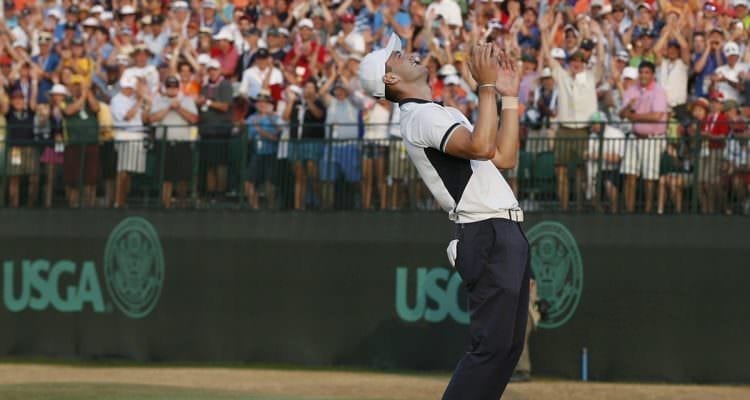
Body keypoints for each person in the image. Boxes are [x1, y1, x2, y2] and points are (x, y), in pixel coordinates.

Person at [360, 35, 527, 400]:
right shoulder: (420, 116)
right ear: (389, 80)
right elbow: (483, 147)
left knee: (505, 349)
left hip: (501, 229)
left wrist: (509, 97)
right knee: (491, 349)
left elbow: (504, 157)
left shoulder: (438, 112)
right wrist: (485, 86)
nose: (409, 54)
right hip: (487, 232)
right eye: (397, 56)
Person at [620, 61, 669, 213]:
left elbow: (657, 116)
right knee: (630, 175)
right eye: (641, 72)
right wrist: (629, 107)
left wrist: (634, 117)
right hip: (634, 137)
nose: (643, 75)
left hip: (652, 138)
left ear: (653, 75)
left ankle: (648, 211)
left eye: (647, 72)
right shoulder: (632, 89)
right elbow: (621, 114)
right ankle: (629, 211)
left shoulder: (658, 91)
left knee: (649, 178)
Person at [148, 76, 199, 209]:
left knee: (183, 176)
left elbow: (193, 119)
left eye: (174, 86)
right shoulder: (158, 101)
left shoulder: (187, 100)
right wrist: (169, 108)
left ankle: (182, 204)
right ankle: (166, 204)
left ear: (178, 87)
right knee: (166, 177)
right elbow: (152, 118)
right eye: (169, 86)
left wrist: (178, 108)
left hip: (182, 142)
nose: (172, 89)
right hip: (164, 143)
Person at [283, 81, 326, 211]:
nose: (307, 89)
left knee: (313, 172)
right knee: (299, 176)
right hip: (296, 141)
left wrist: (309, 102)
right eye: (306, 87)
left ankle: (322, 202)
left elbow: (319, 115)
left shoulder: (319, 103)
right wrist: (290, 101)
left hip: (312, 141)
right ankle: (298, 206)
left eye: (311, 87)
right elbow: (285, 117)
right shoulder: (296, 104)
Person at [110, 75, 149, 208]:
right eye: (126, 87)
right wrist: (139, 101)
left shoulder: (135, 98)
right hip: (124, 136)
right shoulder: (117, 100)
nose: (129, 90)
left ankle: (124, 200)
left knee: (130, 171)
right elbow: (127, 117)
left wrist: (142, 100)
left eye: (130, 87)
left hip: (137, 136)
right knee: (123, 171)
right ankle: (118, 201)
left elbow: (144, 117)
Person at [61, 75, 100, 208]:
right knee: (73, 177)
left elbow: (96, 108)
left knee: (91, 177)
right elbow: (68, 111)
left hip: (91, 143)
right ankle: (73, 203)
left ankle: (90, 203)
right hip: (74, 143)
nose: (77, 88)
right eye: (75, 85)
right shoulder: (65, 100)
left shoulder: (91, 101)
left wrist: (87, 94)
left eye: (80, 86)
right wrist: (82, 97)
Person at [197, 58, 233, 202]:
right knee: (209, 164)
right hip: (207, 129)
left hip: (221, 130)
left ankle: (220, 192)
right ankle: (211, 192)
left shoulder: (225, 85)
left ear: (219, 70)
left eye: (215, 70)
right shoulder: (205, 87)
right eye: (210, 70)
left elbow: (225, 106)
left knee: (221, 164)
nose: (212, 72)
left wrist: (207, 102)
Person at [1, 87, 39, 208]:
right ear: (12, 101)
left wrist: (33, 83)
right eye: (15, 99)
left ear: (24, 100)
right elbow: (4, 104)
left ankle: (31, 205)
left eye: (21, 98)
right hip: (14, 150)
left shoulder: (30, 112)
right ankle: (14, 206)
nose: (18, 101)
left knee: (33, 178)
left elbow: (33, 100)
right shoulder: (9, 113)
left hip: (30, 148)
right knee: (14, 178)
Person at [584, 112, 626, 213]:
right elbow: (588, 154)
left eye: (595, 123)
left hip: (614, 169)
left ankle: (614, 211)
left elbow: (617, 158)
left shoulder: (616, 134)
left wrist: (598, 155)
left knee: (608, 184)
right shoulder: (592, 136)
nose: (593, 126)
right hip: (596, 169)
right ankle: (599, 212)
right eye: (592, 124)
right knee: (585, 183)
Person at [245, 92, 281, 209]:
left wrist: (261, 131)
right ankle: (255, 208)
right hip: (256, 153)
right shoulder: (251, 118)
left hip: (271, 154)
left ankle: (271, 207)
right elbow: (248, 136)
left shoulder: (275, 117)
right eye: (259, 102)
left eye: (264, 102)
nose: (261, 104)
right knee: (249, 183)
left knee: (270, 184)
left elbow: (277, 136)